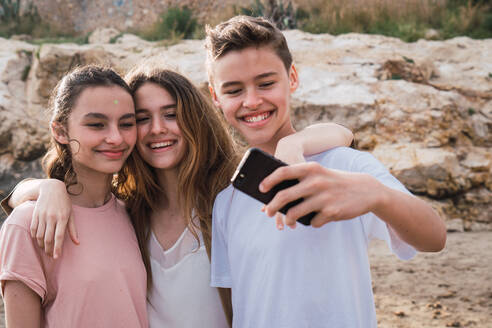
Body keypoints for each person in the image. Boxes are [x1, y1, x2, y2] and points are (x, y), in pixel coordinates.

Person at [1, 63, 354, 327]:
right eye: (140, 119)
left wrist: (294, 143)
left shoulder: (230, 197)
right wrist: (46, 186)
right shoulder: (127, 212)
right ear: (61, 131)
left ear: (194, 119)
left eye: (171, 115)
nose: (155, 129)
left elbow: (341, 133)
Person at [205, 15, 447, 327]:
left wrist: (377, 196)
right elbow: (236, 305)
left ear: (292, 78)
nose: (252, 101)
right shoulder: (227, 201)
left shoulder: (343, 164)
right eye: (234, 90)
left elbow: (434, 237)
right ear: (215, 96)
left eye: (266, 83)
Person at [0, 65, 148, 327]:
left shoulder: (133, 212)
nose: (116, 137)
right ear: (60, 132)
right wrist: (45, 187)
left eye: (126, 124)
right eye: (96, 124)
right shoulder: (27, 223)